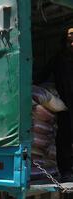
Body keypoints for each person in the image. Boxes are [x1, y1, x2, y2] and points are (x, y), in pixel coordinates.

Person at [51, 28, 73, 182]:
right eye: (70, 38)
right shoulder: (59, 59)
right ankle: (65, 171)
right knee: (64, 138)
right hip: (65, 105)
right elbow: (44, 72)